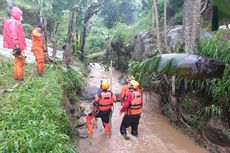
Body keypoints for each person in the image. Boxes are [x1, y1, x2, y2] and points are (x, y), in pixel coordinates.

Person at [3, 6, 26, 81]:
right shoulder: (14, 22)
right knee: (20, 62)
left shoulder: (11, 21)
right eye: (20, 15)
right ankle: (20, 78)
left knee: (17, 61)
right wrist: (18, 46)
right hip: (18, 46)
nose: (21, 17)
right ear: (17, 14)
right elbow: (14, 35)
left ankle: (16, 77)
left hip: (16, 45)